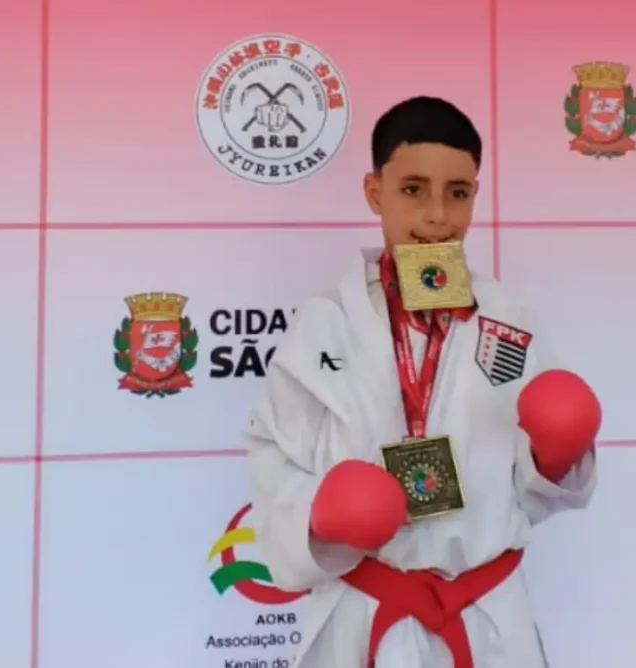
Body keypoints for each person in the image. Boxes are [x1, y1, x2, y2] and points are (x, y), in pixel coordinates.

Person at [245, 96, 601, 668]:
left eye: (457, 193)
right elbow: (275, 461)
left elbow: (534, 496)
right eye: (413, 189)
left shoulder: (510, 320)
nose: (437, 215)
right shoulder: (325, 325)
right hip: (366, 616)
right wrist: (323, 511)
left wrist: (556, 456)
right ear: (374, 192)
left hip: (487, 617)